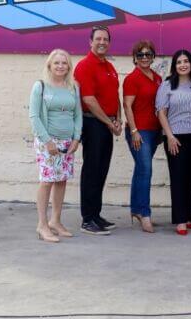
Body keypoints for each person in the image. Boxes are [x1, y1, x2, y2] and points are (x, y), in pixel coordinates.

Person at [74, 25, 124, 236]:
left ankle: (96, 214)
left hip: (107, 124)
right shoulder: (85, 66)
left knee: (101, 171)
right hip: (94, 124)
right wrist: (108, 122)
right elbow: (89, 100)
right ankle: (87, 219)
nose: (102, 42)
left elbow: (115, 96)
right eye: (98, 39)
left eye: (106, 39)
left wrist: (119, 119)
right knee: (92, 171)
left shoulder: (109, 67)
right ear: (90, 41)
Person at [29, 49, 83, 243]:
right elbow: (34, 116)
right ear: (49, 65)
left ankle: (56, 221)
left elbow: (77, 114)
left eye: (64, 63)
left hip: (68, 142)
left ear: (69, 66)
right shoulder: (41, 86)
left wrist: (77, 138)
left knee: (61, 180)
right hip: (47, 142)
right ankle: (42, 224)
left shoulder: (73, 87)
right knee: (47, 181)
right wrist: (48, 141)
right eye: (56, 63)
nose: (60, 66)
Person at [156, 49, 191, 236]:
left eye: (186, 61)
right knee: (178, 178)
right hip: (175, 136)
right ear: (174, 66)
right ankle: (179, 220)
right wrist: (169, 136)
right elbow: (161, 112)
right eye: (179, 62)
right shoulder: (167, 85)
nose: (183, 64)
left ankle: (186, 216)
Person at [123, 39, 163, 233]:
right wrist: (134, 131)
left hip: (154, 131)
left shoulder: (157, 78)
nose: (145, 58)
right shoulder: (132, 78)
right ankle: (144, 213)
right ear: (135, 58)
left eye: (148, 54)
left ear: (153, 57)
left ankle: (136, 210)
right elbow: (127, 106)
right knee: (146, 170)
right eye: (141, 55)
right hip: (139, 132)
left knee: (141, 169)